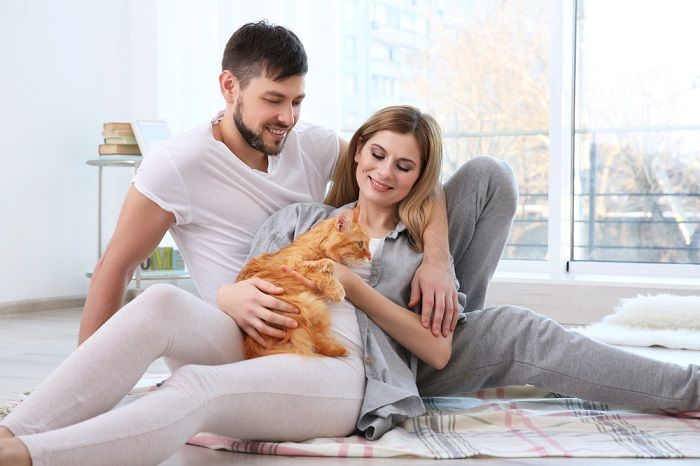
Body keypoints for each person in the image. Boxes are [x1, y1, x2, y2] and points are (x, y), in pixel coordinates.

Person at [2, 105, 699, 465]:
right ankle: (20, 430)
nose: (386, 173)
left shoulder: (414, 233)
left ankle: (689, 389)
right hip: (293, 350)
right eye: (375, 155)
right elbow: (257, 285)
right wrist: (222, 297)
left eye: (405, 166)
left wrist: (433, 258)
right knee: (159, 301)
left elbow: (430, 347)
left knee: (517, 317)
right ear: (355, 153)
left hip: (391, 356)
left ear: (420, 177)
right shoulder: (300, 217)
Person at [77, 20, 463, 347]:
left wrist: (437, 261)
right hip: (244, 327)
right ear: (230, 86)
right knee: (160, 306)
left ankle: (443, 328)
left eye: (297, 101)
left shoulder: (314, 143)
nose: (288, 117)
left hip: (335, 305)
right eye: (274, 100)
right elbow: (115, 266)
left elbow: (412, 180)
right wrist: (84, 374)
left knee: (485, 178)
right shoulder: (178, 164)